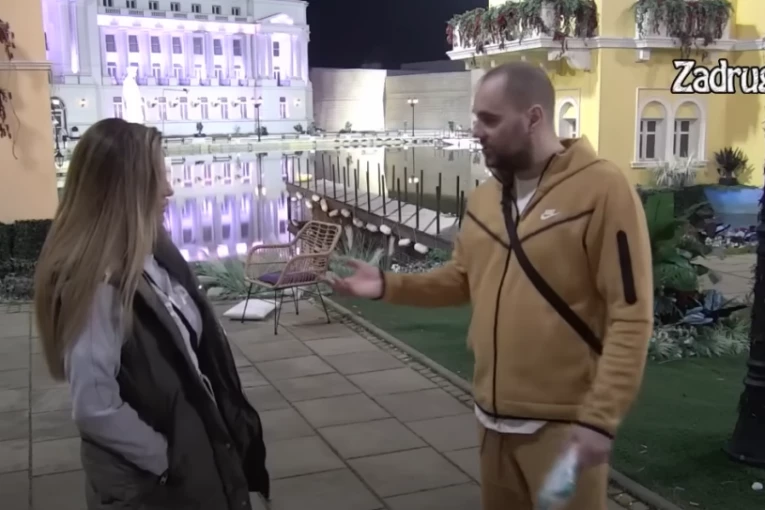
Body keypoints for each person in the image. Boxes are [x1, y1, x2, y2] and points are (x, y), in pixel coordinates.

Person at [326, 62, 653, 510]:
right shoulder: (484, 199)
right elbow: (462, 279)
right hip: (491, 424)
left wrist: (601, 418)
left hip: (562, 430)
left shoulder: (602, 191)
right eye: (476, 117)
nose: (476, 130)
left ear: (534, 118)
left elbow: (631, 314)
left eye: (490, 119)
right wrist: (387, 284)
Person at [34, 118, 269, 510]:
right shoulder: (98, 285)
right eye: (157, 176)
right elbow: (95, 407)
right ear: (124, 188)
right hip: (154, 488)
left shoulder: (153, 255)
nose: (169, 189)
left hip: (193, 459)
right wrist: (166, 459)